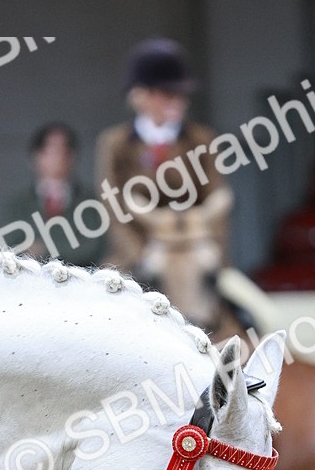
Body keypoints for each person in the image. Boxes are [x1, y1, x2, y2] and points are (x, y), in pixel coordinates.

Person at [96, 38, 232, 328]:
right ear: (139, 96)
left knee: (247, 312)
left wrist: (211, 248)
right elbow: (113, 206)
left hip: (195, 246)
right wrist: (140, 253)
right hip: (144, 249)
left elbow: (216, 195)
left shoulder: (202, 139)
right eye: (167, 94)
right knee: (100, 316)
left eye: (180, 95)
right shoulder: (115, 144)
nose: (177, 102)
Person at [1, 123, 105, 266]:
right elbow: (10, 247)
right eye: (51, 151)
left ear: (73, 156)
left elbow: (92, 247)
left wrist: (43, 249)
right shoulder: (19, 204)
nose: (58, 158)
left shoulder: (91, 200)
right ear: (36, 156)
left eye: (64, 151)